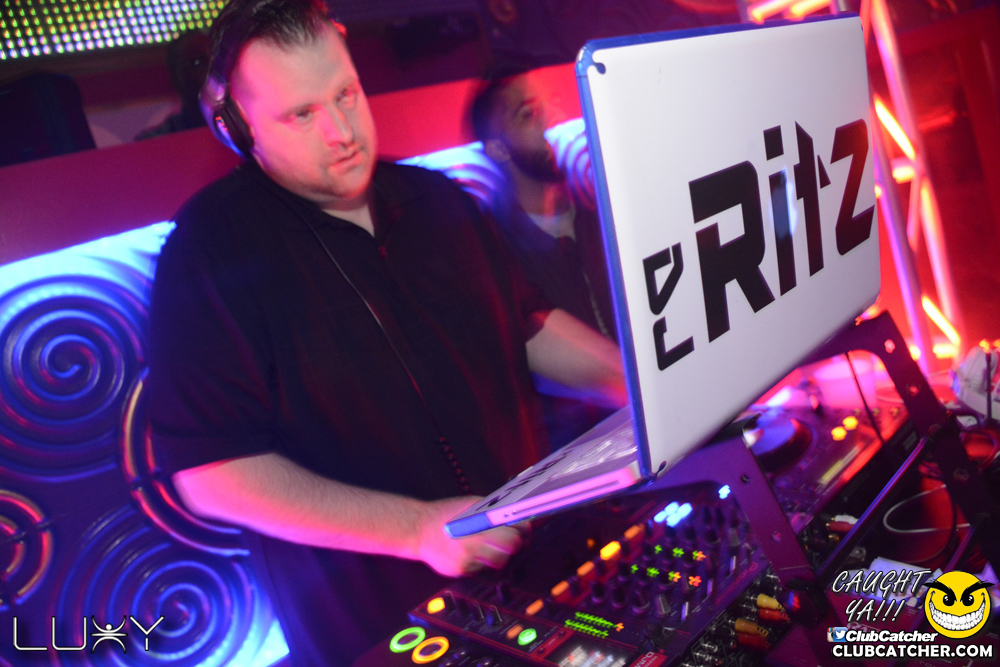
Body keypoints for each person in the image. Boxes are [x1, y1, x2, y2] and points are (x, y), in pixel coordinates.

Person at [146, 0, 625, 665]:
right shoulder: (207, 253)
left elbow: (526, 325)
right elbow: (210, 473)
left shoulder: (438, 199)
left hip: (540, 581)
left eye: (346, 94)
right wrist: (415, 528)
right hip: (386, 629)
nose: (341, 131)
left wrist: (639, 386)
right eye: (302, 114)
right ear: (238, 126)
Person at [471, 70, 619, 447]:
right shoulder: (491, 253)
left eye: (547, 106)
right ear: (498, 149)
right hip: (590, 455)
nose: (549, 120)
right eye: (527, 113)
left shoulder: (605, 215)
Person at [135, 30, 211, 140]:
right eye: (198, 63)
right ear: (176, 79)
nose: (212, 69)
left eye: (217, 59)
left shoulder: (236, 132)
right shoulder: (154, 143)